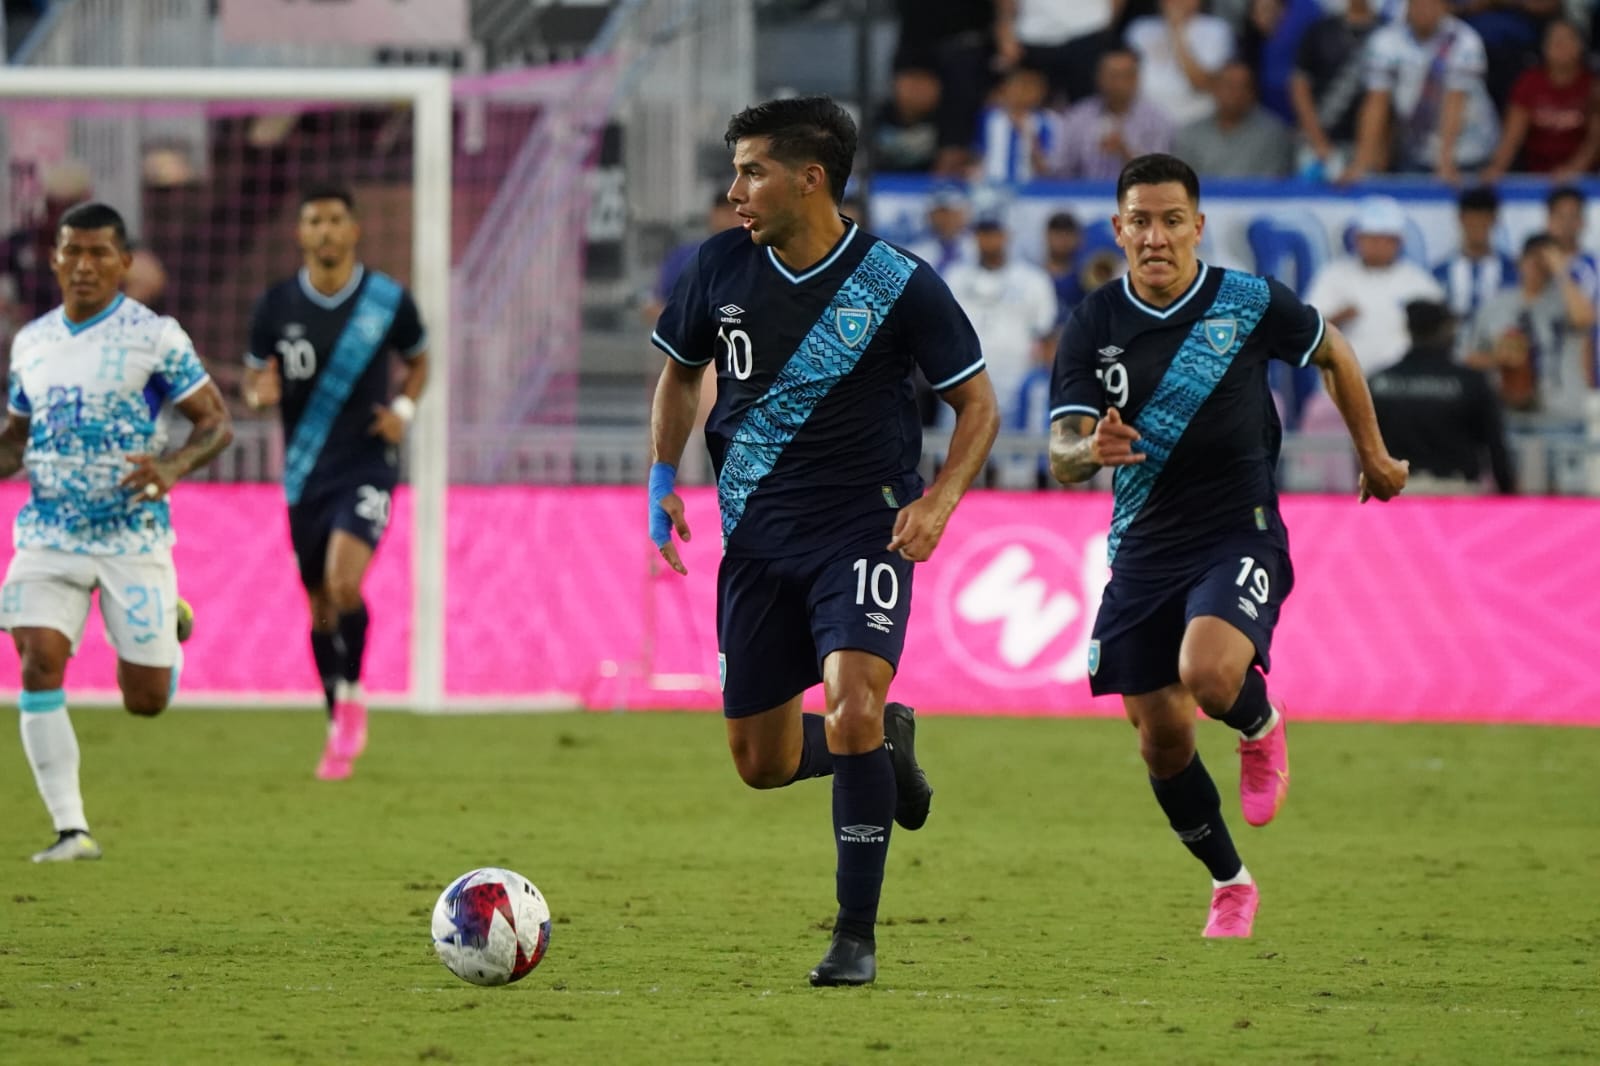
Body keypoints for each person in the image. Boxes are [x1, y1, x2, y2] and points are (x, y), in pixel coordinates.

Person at [646, 96, 999, 985]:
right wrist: (661, 476)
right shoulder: (719, 266)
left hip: (864, 532)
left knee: (851, 706)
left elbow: (978, 405)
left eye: (752, 171)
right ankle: (887, 745)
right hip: (757, 544)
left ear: (811, 179)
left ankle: (854, 937)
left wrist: (941, 501)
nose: (735, 192)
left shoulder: (898, 282)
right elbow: (682, 376)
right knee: (759, 763)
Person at [1047, 153, 1408, 938]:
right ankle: (1230, 882)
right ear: (1119, 229)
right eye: (1139, 221)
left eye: (1172, 220)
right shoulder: (1094, 323)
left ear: (1197, 227)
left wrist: (1373, 456)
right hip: (1142, 546)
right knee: (1161, 736)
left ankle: (1258, 724)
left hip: (1236, 529)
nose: (1155, 236)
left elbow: (1335, 351)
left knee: (1207, 673)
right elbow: (1061, 454)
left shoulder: (1245, 302)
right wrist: (1089, 453)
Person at [1, 202, 233, 862]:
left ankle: (170, 630)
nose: (84, 265)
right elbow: (17, 439)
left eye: (100, 253)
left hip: (132, 536)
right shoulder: (33, 343)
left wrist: (173, 465)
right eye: (72, 251)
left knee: (146, 701)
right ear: (55, 259)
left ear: (125, 263)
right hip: (48, 532)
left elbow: (216, 423)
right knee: (38, 656)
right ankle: (71, 829)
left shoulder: (156, 337)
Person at [242, 186, 429, 782]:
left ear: (354, 231)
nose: (324, 230)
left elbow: (420, 359)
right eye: (313, 220)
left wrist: (403, 408)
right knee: (319, 606)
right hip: (305, 472)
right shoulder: (274, 306)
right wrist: (257, 393)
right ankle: (336, 713)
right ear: (300, 234)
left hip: (368, 462)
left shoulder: (387, 301)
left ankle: (352, 688)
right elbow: (255, 378)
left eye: (334, 220)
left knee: (344, 584)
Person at [1342, 0, 1498, 182]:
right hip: (1415, 154)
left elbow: (1455, 103)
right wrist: (1361, 162)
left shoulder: (1465, 41)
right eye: (1417, 3)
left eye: (1431, 4)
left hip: (1468, 152)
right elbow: (1376, 103)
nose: (1424, 9)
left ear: (1444, 6)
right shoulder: (1386, 41)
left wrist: (1446, 160)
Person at [1371, 300, 1514, 495]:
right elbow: (1495, 445)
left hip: (1396, 495)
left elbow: (1364, 446)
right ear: (1445, 330)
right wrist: (1509, 494)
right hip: (1456, 493)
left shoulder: (1378, 382)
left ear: (1408, 329)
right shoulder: (1470, 381)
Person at [1304, 196, 1444, 378]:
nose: (1376, 245)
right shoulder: (1334, 275)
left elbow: (1440, 333)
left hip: (1404, 386)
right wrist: (1337, 318)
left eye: (1384, 238)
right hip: (1345, 384)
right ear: (1357, 239)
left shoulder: (1418, 282)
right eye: (1369, 238)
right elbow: (1304, 330)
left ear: (1398, 241)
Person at [1465, 232, 1596, 419]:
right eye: (1532, 258)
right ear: (1520, 261)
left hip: (1562, 418)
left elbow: (1585, 318)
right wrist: (1499, 357)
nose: (1538, 266)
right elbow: (1467, 357)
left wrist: (1561, 270)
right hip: (1508, 415)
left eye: (1544, 261)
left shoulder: (1567, 303)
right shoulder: (1495, 306)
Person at [1480, 20, 1600, 182]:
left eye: (1566, 40)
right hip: (1535, 174)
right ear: (1544, 47)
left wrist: (1575, 169)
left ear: (1580, 46)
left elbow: (1595, 139)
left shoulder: (1592, 85)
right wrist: (1497, 167)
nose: (1560, 46)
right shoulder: (1530, 82)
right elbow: (1512, 135)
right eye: (1554, 41)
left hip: (1585, 177)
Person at [1047, 49, 1175, 180]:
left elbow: (1161, 176)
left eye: (1125, 76)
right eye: (1113, 76)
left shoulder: (1157, 120)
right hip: (1086, 196)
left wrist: (1124, 151)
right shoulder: (1078, 117)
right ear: (1099, 78)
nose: (1118, 83)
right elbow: (1061, 171)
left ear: (1137, 78)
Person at [1171, 60, 1294, 178]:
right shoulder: (1190, 134)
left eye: (1242, 87)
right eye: (1228, 85)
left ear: (1252, 93)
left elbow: (1271, 187)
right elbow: (1182, 185)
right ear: (1215, 90)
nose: (1235, 93)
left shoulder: (1274, 134)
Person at [1433, 185, 1517, 321]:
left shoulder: (1512, 270)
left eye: (1483, 221)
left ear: (1494, 220)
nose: (1478, 227)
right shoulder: (1440, 273)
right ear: (1461, 219)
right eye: (1472, 221)